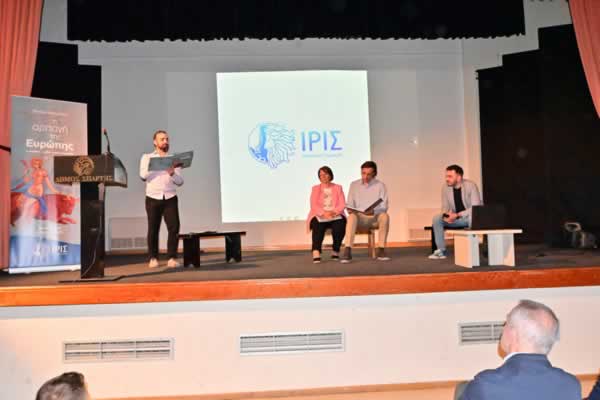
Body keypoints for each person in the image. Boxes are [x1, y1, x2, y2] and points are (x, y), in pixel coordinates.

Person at [460, 300, 581, 400]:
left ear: (513, 334)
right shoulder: (571, 385)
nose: (503, 329)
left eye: (506, 324)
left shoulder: (486, 384)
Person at [139, 130, 184, 268]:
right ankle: (153, 258)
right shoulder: (147, 157)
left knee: (174, 227)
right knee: (153, 228)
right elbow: (142, 175)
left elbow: (180, 181)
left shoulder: (174, 159)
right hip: (153, 197)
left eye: (167, 139)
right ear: (155, 142)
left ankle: (172, 258)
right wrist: (155, 165)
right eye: (162, 139)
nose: (165, 141)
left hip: (170, 197)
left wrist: (172, 172)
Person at [341, 161, 390, 263]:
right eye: (363, 173)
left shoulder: (381, 186)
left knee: (385, 216)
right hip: (360, 218)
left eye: (369, 174)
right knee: (351, 217)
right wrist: (350, 209)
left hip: (374, 218)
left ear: (374, 174)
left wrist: (373, 211)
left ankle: (381, 249)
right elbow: (349, 203)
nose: (365, 176)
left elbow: (384, 206)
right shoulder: (354, 185)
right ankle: (347, 250)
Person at [429, 164, 482, 259]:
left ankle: (472, 248)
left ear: (459, 177)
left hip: (470, 218)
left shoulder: (471, 186)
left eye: (450, 176)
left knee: (472, 217)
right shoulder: (445, 188)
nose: (447, 179)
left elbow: (475, 208)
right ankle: (440, 250)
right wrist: (446, 215)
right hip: (456, 219)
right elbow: (445, 206)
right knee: (437, 218)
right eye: (446, 176)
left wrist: (457, 215)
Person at [307, 166, 347, 263]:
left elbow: (342, 204)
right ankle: (316, 251)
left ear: (330, 175)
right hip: (320, 215)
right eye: (321, 175)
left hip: (335, 214)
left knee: (340, 225)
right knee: (317, 225)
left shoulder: (338, 187)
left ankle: (335, 250)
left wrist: (333, 212)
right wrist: (323, 213)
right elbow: (313, 205)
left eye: (325, 174)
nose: (323, 177)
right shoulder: (315, 188)